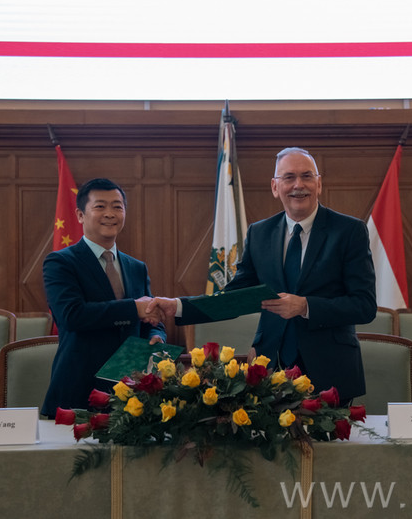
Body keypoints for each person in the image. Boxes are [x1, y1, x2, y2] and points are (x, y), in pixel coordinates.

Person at [150, 147, 376, 404]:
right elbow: (234, 297)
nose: (298, 185)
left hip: (331, 371)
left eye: (307, 176)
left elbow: (364, 305)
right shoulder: (259, 233)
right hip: (269, 370)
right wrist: (178, 306)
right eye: (289, 177)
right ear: (275, 187)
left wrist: (305, 306)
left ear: (319, 184)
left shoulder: (349, 231)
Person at [41, 178, 166, 417]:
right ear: (80, 215)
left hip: (132, 394)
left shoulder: (136, 267)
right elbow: (72, 316)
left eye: (117, 207)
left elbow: (150, 317)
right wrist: (133, 309)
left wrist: (156, 335)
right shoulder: (60, 262)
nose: (110, 213)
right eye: (100, 206)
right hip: (79, 391)